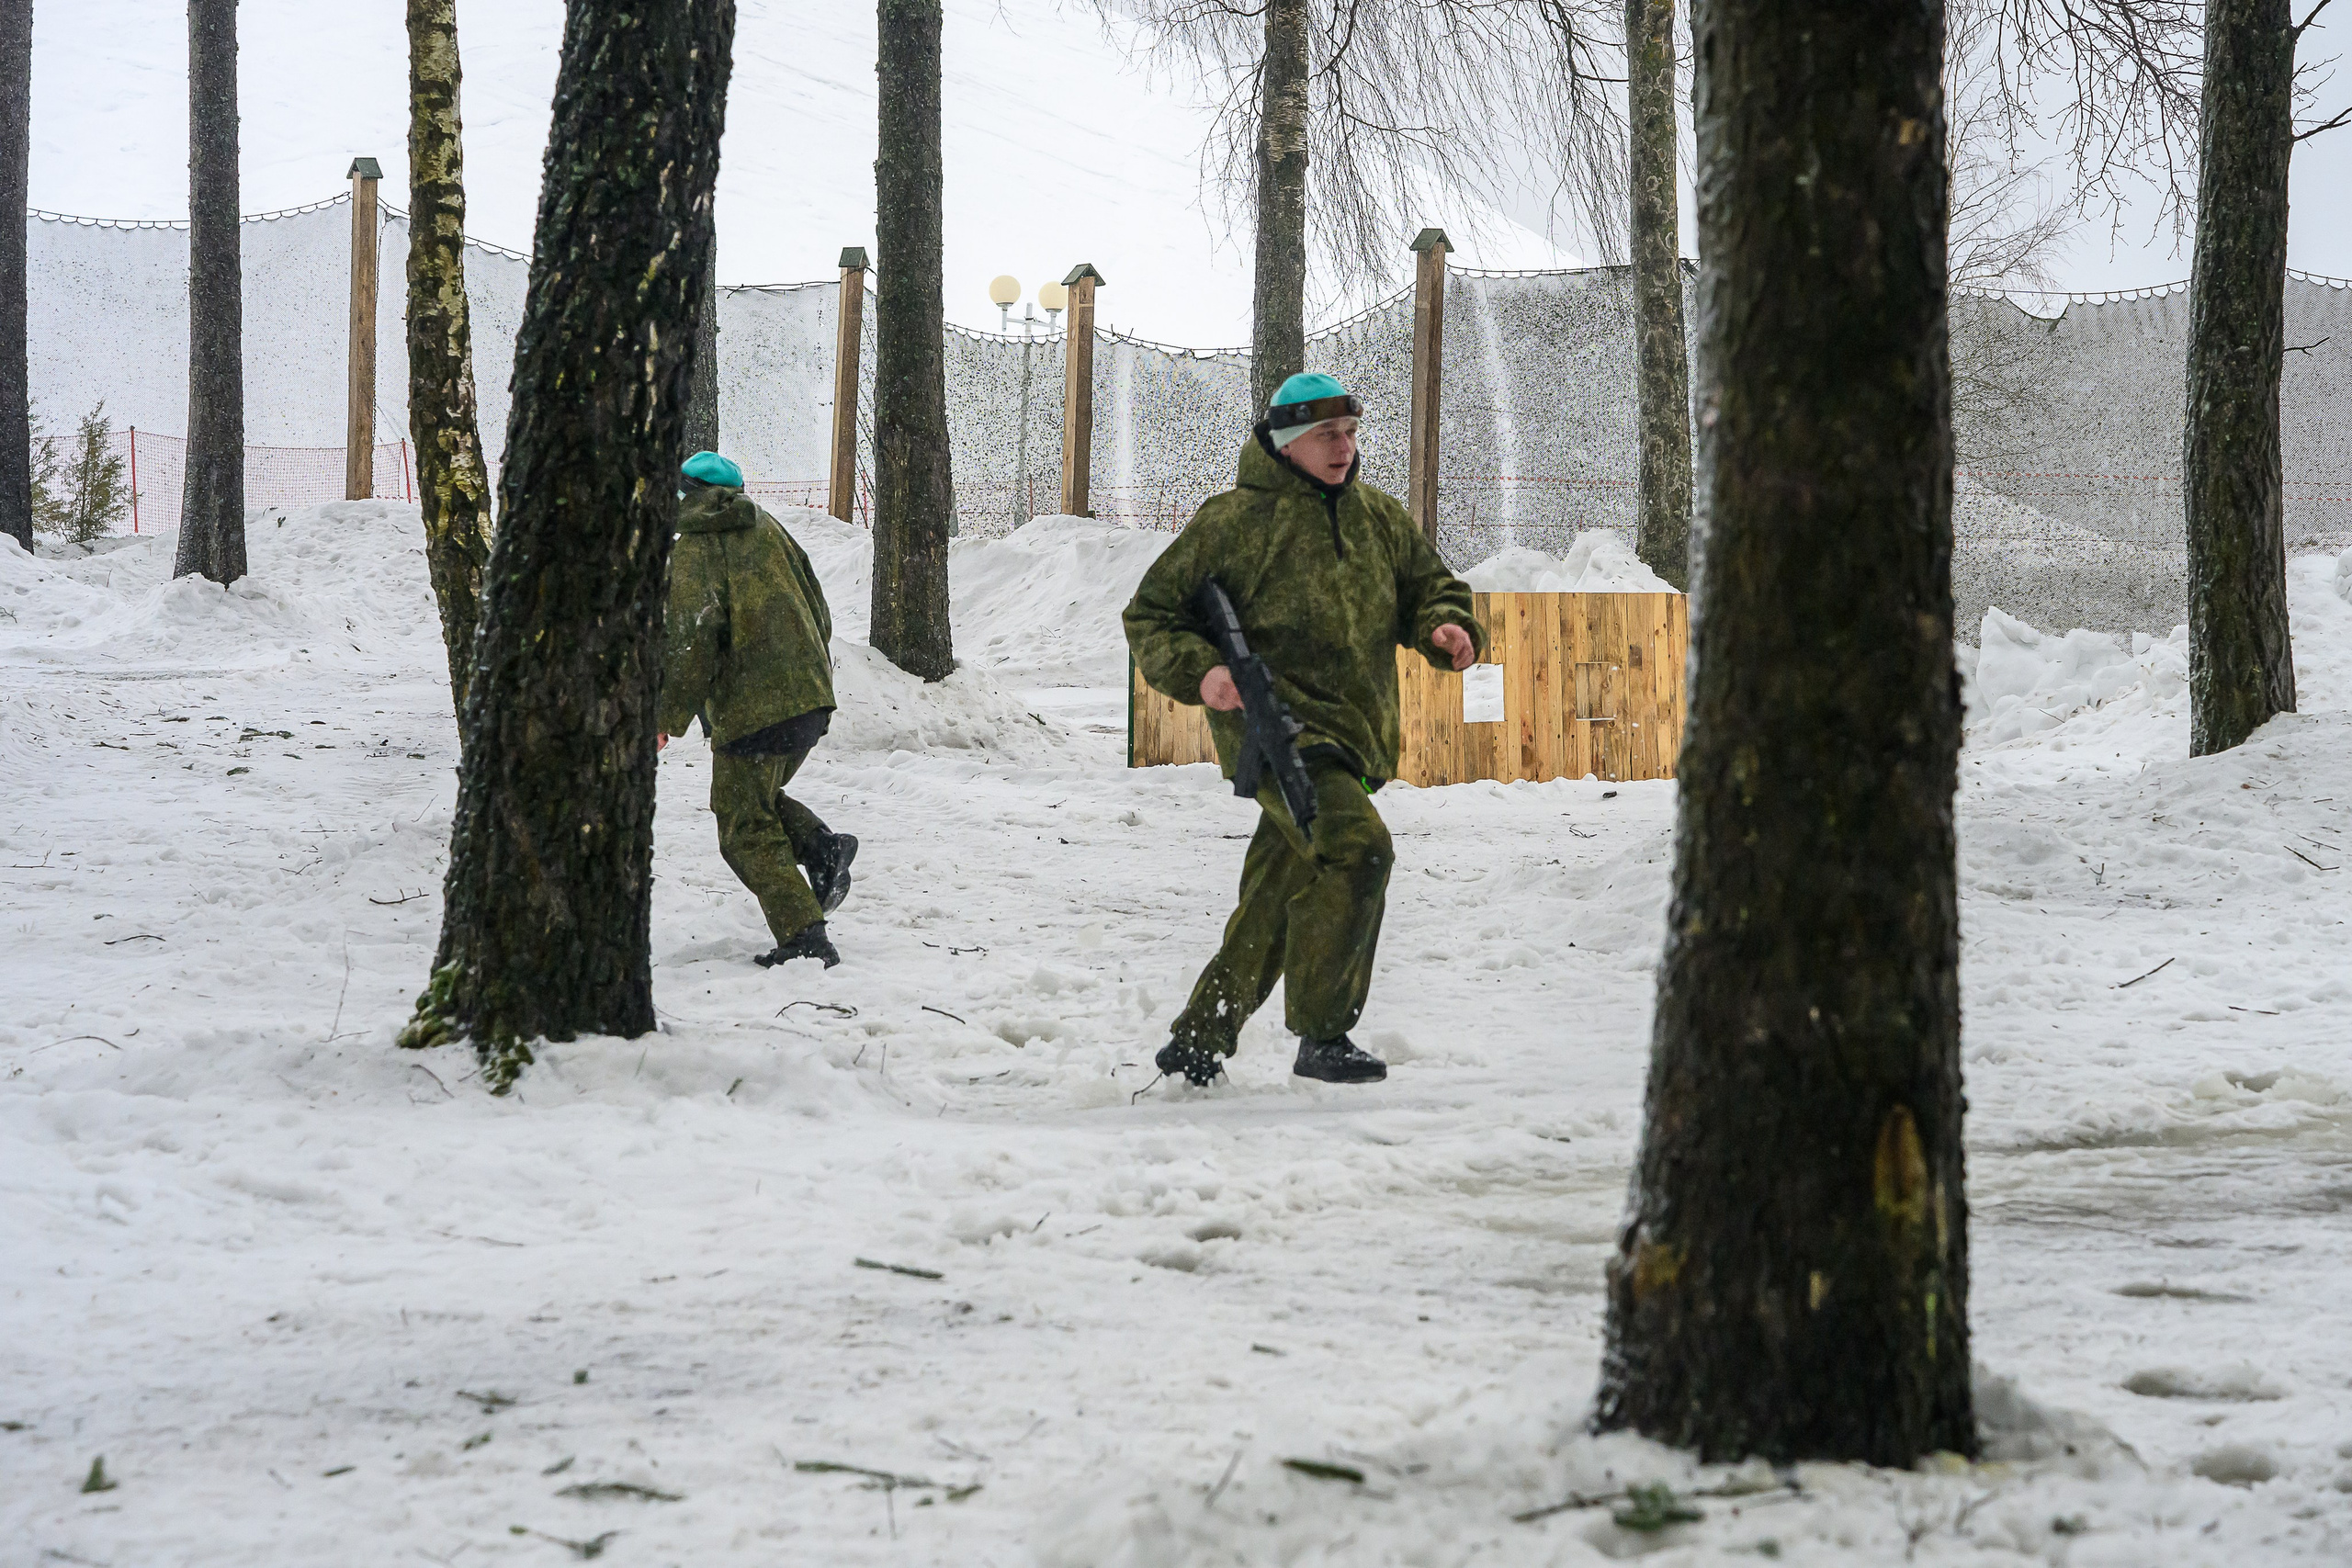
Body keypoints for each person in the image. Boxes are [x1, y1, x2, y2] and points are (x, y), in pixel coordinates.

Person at [1124, 372, 1484, 1087]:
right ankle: (1323, 1034)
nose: (1344, 447)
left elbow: (1431, 586)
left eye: (1350, 433)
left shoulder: (1376, 518)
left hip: (1354, 735)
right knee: (1358, 850)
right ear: (1289, 444)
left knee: (1280, 891)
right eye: (1328, 435)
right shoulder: (1232, 521)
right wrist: (1204, 674)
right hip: (1280, 736)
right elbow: (1152, 613)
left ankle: (1201, 1035)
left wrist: (1447, 625)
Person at [657, 451, 857, 968]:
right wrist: (805, 676)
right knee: (753, 798)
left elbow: (692, 642)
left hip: (756, 707)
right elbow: (819, 608)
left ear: (686, 494)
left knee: (742, 825)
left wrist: (664, 718)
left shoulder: (698, 548)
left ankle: (805, 936)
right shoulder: (772, 530)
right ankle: (821, 848)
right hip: (809, 698)